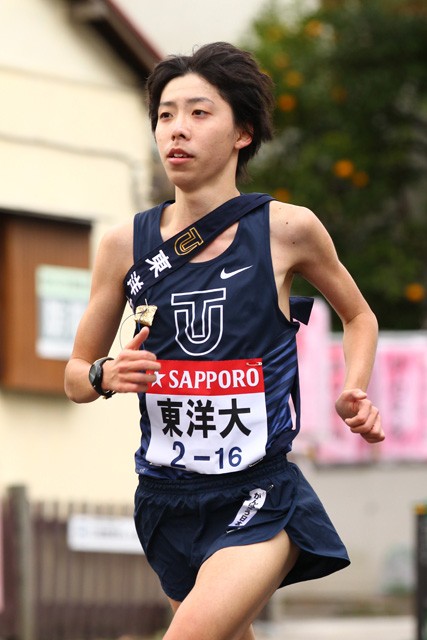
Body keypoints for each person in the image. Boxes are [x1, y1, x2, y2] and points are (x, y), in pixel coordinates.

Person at [65, 42, 384, 640]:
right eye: (164, 115)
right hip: (164, 497)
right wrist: (102, 374)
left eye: (198, 113)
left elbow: (359, 315)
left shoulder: (287, 228)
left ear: (242, 132)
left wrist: (354, 389)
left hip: (259, 490)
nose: (176, 130)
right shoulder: (123, 246)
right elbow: (75, 374)